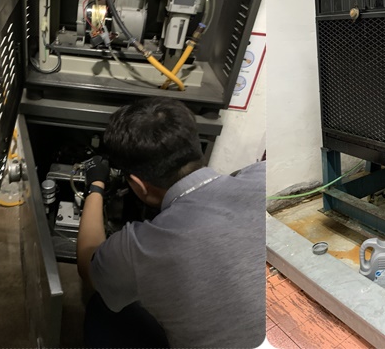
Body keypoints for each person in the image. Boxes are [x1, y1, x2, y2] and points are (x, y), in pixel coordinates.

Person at [76, 98, 265, 348]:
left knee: (101, 306)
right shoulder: (263, 174)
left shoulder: (137, 249)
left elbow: (88, 266)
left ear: (139, 185)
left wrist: (96, 185)